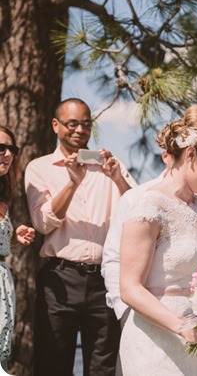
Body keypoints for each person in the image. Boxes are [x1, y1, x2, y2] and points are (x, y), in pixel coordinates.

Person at [118, 106, 197, 376]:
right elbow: (129, 288)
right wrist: (179, 325)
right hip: (155, 343)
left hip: (195, 343)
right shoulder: (148, 206)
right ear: (191, 155)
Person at [24, 98, 137, 376]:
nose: (79, 130)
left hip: (104, 280)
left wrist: (117, 178)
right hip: (60, 278)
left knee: (104, 366)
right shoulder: (39, 167)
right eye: (72, 123)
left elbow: (138, 212)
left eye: (86, 124)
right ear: (56, 125)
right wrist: (72, 183)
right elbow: (42, 222)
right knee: (53, 363)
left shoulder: (111, 166)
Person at [0, 126, 35, 372]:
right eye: (1, 147)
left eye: (11, 148)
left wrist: (12, 236)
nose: (7, 154)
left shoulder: (3, 198)